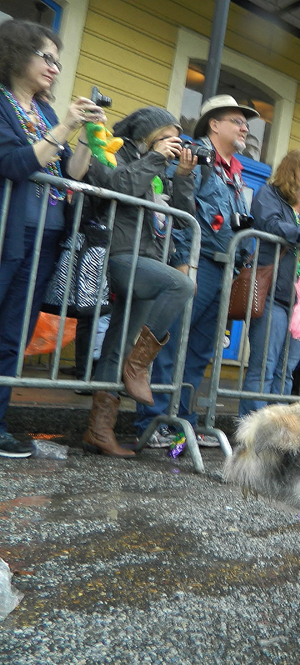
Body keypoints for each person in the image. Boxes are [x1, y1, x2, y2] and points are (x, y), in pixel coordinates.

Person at [133, 95, 258, 448]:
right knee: (172, 344)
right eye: (237, 121)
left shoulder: (234, 169)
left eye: (245, 123)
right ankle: (153, 421)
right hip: (195, 262)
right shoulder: (193, 156)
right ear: (214, 124)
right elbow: (179, 212)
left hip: (223, 267)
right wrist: (184, 262)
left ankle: (182, 421)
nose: (244, 128)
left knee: (200, 350)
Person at [0, 20, 100, 458]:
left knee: (13, 334)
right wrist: (63, 128)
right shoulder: (3, 104)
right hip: (8, 230)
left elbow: (70, 173)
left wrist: (87, 137)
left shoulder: (44, 113)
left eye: (58, 61)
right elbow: (14, 163)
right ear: (15, 53)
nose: (55, 68)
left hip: (46, 235)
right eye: (46, 57)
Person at [81, 107, 197, 458]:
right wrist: (157, 158)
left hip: (150, 259)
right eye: (168, 137)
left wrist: (184, 176)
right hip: (119, 254)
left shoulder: (162, 167)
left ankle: (99, 431)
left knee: (117, 344)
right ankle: (138, 366)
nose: (175, 144)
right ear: (148, 134)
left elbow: (183, 216)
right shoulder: (116, 151)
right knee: (182, 286)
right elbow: (118, 187)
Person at [238, 149, 300, 416]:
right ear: (293, 170)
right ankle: (252, 431)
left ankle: (278, 431)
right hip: (273, 293)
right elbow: (272, 226)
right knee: (264, 367)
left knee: (286, 371)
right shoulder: (270, 194)